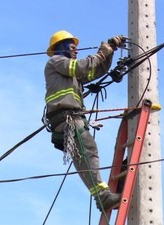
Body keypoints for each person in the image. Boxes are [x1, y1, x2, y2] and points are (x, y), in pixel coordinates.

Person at [44, 30, 124, 211]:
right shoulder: (56, 62)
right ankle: (102, 196)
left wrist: (109, 52)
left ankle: (102, 195)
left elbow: (93, 72)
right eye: (72, 47)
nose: (76, 51)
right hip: (66, 118)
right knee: (87, 151)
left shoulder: (69, 71)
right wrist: (103, 51)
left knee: (88, 150)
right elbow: (82, 67)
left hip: (71, 117)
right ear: (62, 47)